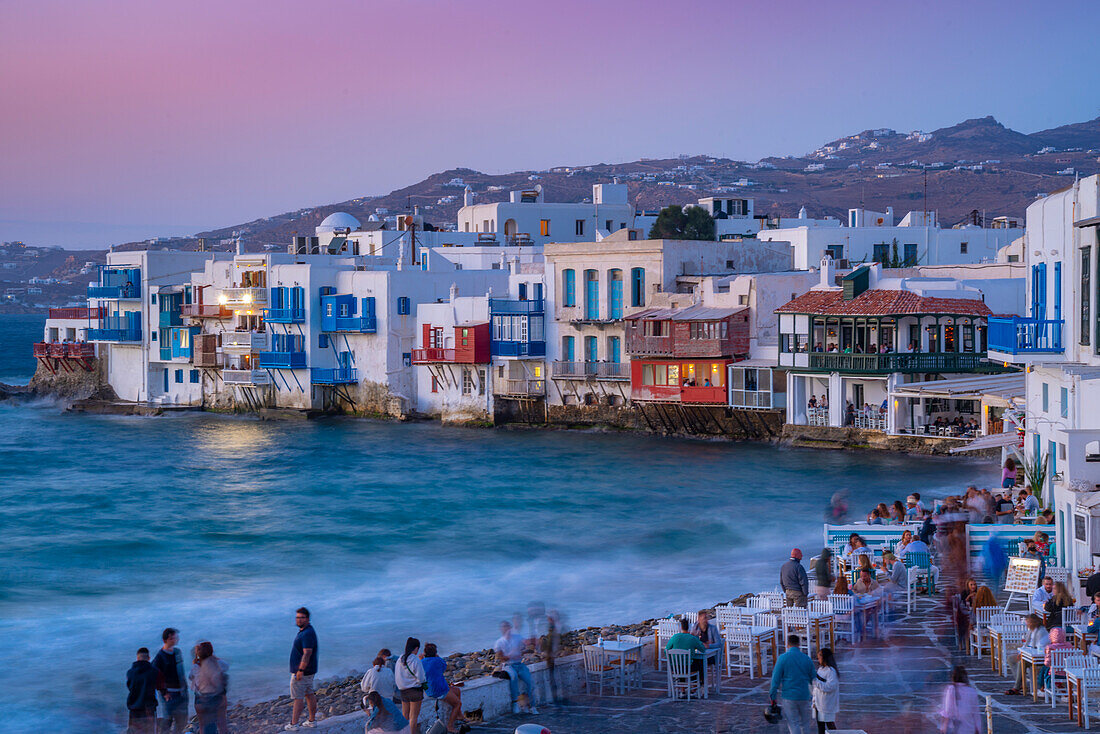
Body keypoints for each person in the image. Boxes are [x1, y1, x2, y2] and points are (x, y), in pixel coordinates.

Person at [769, 634, 817, 734]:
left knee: (793, 724)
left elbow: (775, 679)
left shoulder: (783, 658)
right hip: (804, 695)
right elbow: (813, 678)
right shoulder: (806, 659)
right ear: (799, 644)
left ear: (787, 644)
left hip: (789, 696)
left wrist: (773, 696)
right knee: (805, 724)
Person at [286, 607, 320, 731]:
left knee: (298, 697)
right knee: (309, 694)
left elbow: (307, 653)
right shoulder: (307, 631)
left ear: (307, 618)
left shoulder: (306, 634)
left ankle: (294, 724)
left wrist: (300, 670)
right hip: (310, 670)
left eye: (301, 618)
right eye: (297, 617)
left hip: (303, 672)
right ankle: (312, 720)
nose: (299, 620)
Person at [493, 621, 537, 715]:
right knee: (514, 677)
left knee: (530, 681)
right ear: (501, 629)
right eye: (504, 627)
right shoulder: (499, 642)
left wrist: (531, 642)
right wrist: (511, 655)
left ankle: (532, 706)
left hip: (519, 664)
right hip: (508, 665)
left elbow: (526, 644)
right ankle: (515, 703)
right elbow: (501, 658)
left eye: (508, 627)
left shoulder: (517, 637)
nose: (506, 629)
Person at [421, 643, 466, 734]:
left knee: (457, 690)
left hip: (429, 689)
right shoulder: (438, 660)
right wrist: (437, 657)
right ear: (435, 652)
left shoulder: (421, 662)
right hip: (438, 690)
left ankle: (459, 715)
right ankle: (450, 726)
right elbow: (444, 668)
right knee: (457, 704)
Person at [152, 627, 188, 733]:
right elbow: (154, 675)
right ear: (166, 640)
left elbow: (180, 672)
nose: (176, 639)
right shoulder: (160, 658)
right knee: (168, 720)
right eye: (173, 638)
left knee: (182, 720)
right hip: (170, 695)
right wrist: (163, 692)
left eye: (176, 637)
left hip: (181, 692)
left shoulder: (177, 652)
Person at [189, 641, 229, 734]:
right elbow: (226, 666)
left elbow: (190, 677)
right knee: (221, 723)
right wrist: (214, 658)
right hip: (217, 697)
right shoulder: (218, 663)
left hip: (201, 699)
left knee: (203, 725)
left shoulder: (196, 666)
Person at [1004, 614, 1048, 695]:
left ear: (1033, 622)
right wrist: (1021, 652)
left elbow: (1038, 649)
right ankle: (1021, 683)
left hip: (1038, 658)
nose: (1027, 624)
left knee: (1022, 662)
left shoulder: (1041, 632)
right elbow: (1026, 644)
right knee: (1010, 659)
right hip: (1029, 654)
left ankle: (1016, 687)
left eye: (1028, 622)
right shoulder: (1031, 631)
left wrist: (1024, 653)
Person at [126, 647, 162, 734]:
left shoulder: (130, 672)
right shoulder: (155, 671)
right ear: (149, 658)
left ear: (137, 658)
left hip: (134, 708)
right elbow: (160, 686)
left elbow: (129, 686)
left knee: (134, 731)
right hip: (149, 709)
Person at [395, 637, 426, 733]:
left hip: (403, 690)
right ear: (416, 648)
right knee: (413, 717)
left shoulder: (400, 659)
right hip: (415, 691)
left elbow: (397, 675)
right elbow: (421, 678)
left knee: (405, 716)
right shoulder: (415, 660)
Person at [939, 665, 981, 734]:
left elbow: (948, 710)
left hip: (955, 726)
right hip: (969, 726)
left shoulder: (951, 689)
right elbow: (976, 712)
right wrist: (978, 728)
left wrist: (944, 727)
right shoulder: (971, 691)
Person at [811, 648, 839, 733]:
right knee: (821, 726)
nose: (818, 658)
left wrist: (815, 681)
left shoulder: (831, 671)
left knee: (830, 724)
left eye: (819, 656)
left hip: (826, 704)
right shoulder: (821, 669)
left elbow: (829, 687)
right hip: (818, 702)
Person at [1042, 627, 1075, 694]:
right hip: (1068, 672)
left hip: (1055, 672)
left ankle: (1043, 688)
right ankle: (1061, 688)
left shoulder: (1050, 647)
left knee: (1044, 670)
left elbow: (1047, 663)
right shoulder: (1069, 645)